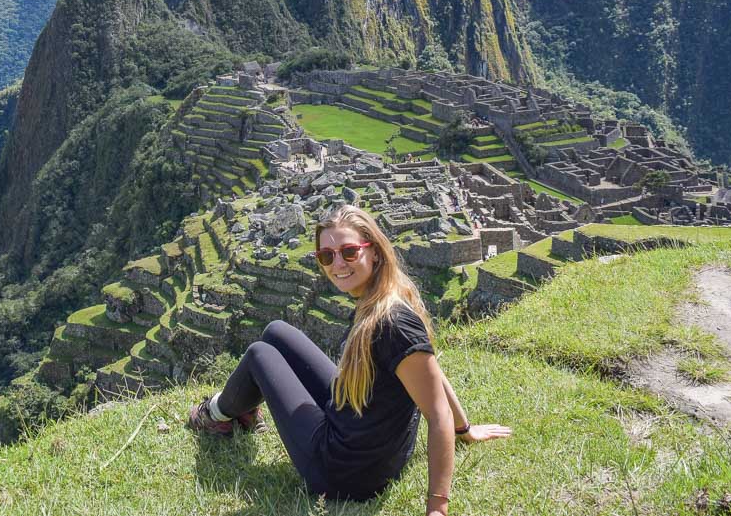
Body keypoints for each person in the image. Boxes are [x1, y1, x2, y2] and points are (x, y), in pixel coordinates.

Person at [187, 204, 510, 513]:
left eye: (349, 252)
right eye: (326, 256)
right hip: (371, 445)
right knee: (275, 331)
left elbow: (436, 413)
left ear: (374, 251)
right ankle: (241, 412)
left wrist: (438, 506)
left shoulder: (391, 323)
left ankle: (215, 415)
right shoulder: (388, 298)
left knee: (260, 354)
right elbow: (432, 374)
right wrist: (465, 428)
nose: (337, 264)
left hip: (343, 472)